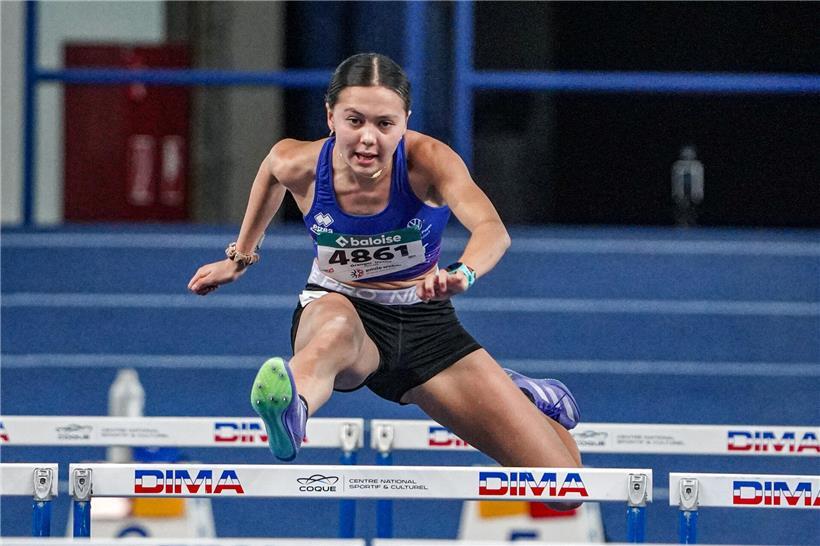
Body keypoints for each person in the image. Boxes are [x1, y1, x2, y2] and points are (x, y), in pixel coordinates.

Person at [188, 53, 583, 504]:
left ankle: (517, 393)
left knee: (565, 488)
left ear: (405, 122)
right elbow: (270, 174)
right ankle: (291, 405)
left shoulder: (429, 161)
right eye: (354, 120)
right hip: (340, 303)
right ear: (330, 115)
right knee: (333, 334)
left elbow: (493, 230)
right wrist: (239, 258)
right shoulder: (298, 161)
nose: (368, 139)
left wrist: (464, 271)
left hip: (425, 325)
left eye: (385, 124)